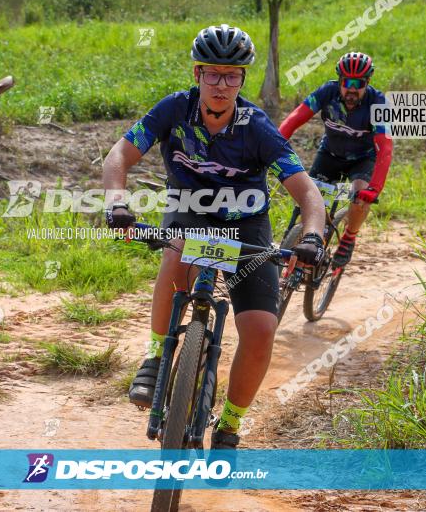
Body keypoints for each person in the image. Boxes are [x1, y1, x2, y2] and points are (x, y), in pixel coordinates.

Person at [102, 24, 325, 450]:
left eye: (232, 75)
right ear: (197, 74)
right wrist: (116, 202)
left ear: (243, 80)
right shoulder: (173, 110)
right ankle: (154, 357)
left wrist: (312, 235)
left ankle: (230, 425)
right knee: (179, 250)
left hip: (247, 227)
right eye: (213, 74)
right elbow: (119, 155)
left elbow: (306, 191)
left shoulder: (256, 127)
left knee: (260, 330)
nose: (221, 85)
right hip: (191, 212)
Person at [278, 52, 393, 267]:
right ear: (339, 81)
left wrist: (374, 189)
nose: (351, 89)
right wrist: (271, 148)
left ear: (367, 83)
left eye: (358, 84)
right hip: (330, 154)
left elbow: (385, 149)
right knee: (308, 201)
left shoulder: (379, 104)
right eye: (346, 82)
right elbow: (293, 121)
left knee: (359, 199)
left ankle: (349, 237)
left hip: (363, 159)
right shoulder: (327, 92)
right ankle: (301, 246)